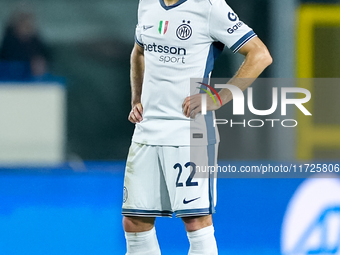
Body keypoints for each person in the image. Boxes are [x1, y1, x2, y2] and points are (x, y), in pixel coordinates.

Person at [122, 0, 272, 254]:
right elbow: (139, 52)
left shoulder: (210, 6)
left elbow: (260, 54)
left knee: (195, 221)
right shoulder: (147, 3)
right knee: (134, 221)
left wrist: (219, 97)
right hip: (147, 132)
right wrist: (137, 98)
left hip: (189, 133)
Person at [0, 8, 49, 79]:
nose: (26, 24)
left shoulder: (36, 41)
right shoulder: (9, 41)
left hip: (34, 81)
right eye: (23, 21)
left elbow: (44, 59)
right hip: (11, 79)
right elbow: (7, 63)